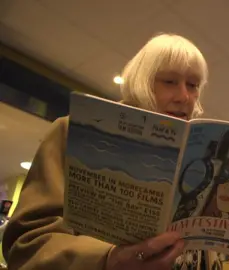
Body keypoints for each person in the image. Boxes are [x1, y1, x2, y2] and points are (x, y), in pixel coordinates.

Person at [2, 33, 209, 270]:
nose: (185, 97)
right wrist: (107, 260)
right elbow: (26, 243)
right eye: (170, 81)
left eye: (193, 86)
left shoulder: (199, 161)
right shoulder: (73, 133)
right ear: (142, 82)